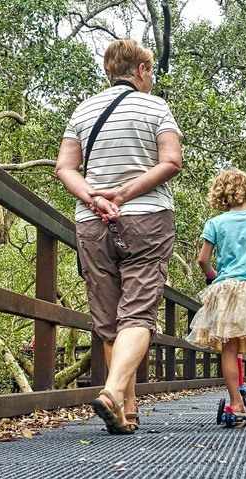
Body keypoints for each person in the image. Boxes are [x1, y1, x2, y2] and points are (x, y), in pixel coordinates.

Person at [55, 39, 182, 434]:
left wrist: (94, 197)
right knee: (138, 313)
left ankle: (128, 412)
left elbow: (65, 168)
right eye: (150, 73)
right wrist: (123, 195)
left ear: (110, 71)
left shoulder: (82, 110)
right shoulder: (155, 106)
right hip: (145, 218)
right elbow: (172, 161)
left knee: (109, 319)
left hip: (92, 223)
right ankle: (113, 392)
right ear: (142, 70)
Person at [187, 169, 246, 428]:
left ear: (221, 195)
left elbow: (202, 259)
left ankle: (237, 405)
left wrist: (212, 274)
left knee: (229, 348)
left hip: (225, 290)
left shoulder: (215, 224)